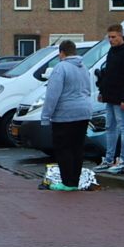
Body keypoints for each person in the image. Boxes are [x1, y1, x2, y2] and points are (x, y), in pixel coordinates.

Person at [39, 40, 92, 192]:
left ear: (61, 53)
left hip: (65, 114)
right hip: (83, 112)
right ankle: (74, 181)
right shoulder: (83, 68)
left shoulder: (60, 68)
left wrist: (46, 116)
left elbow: (52, 94)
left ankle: (67, 182)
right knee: (77, 148)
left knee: (63, 148)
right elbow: (87, 89)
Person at [95, 24, 124, 174]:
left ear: (121, 36)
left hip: (121, 97)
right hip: (111, 95)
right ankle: (109, 159)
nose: (110, 40)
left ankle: (123, 159)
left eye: (113, 37)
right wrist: (102, 90)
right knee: (111, 127)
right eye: (109, 37)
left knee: (123, 127)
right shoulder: (113, 51)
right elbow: (108, 73)